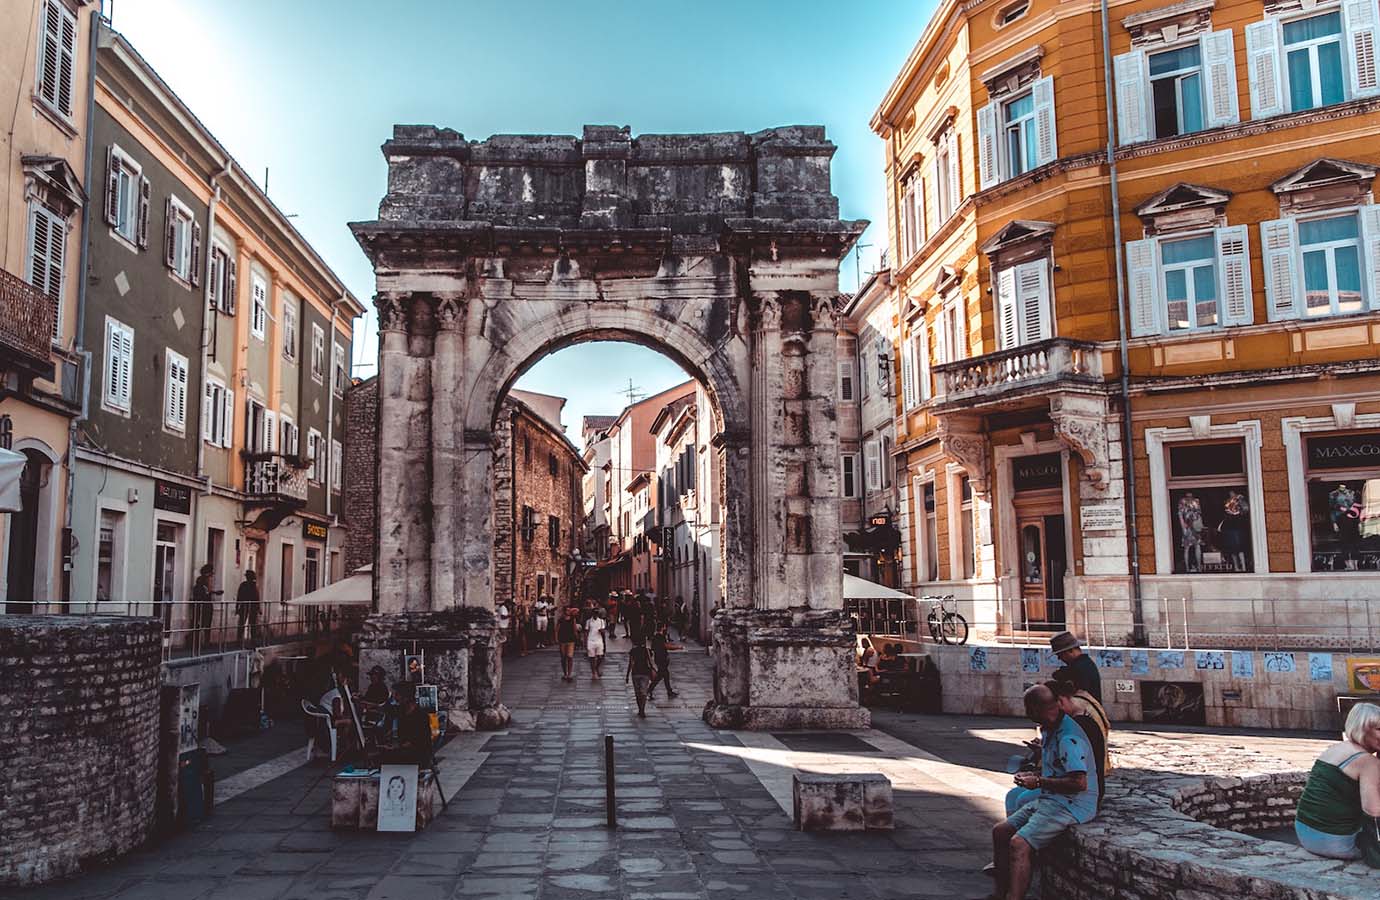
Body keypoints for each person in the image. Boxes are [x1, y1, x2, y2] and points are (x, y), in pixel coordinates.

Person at [990, 684, 1099, 900]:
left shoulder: (1068, 737)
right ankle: (1000, 892)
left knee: (1019, 844)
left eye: (1028, 709)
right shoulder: (1051, 727)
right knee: (1000, 831)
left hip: (1072, 804)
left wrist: (1038, 781)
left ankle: (1015, 896)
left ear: (1035, 709)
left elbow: (1079, 783)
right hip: (1052, 799)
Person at [1295, 702, 1380, 862]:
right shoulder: (1368, 762)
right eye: (1379, 729)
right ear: (1362, 729)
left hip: (1305, 833)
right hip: (1335, 842)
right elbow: (1373, 811)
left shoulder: (1336, 749)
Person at [382, 681, 433, 767]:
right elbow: (384, 709)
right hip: (404, 750)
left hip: (417, 754)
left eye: (397, 695)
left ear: (406, 697)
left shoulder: (420, 716)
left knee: (386, 759)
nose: (395, 698)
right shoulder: (402, 710)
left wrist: (396, 747)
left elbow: (416, 742)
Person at [1050, 631, 1101, 704]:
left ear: (1070, 651)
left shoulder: (1078, 668)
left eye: (1060, 655)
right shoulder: (1086, 662)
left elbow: (1057, 675)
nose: (1059, 658)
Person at [191, 564, 219, 649]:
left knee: (203, 624)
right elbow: (205, 593)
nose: (211, 578)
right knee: (203, 624)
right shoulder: (202, 583)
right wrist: (213, 592)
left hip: (203, 605)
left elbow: (207, 592)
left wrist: (214, 592)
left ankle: (201, 642)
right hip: (204, 606)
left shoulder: (202, 584)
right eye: (210, 575)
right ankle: (201, 643)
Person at [648, 623, 679, 700]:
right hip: (662, 658)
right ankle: (649, 690)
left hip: (658, 658)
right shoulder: (660, 637)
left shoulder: (655, 637)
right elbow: (666, 646)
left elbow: (653, 647)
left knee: (665, 675)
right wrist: (677, 647)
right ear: (662, 628)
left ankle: (669, 691)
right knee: (660, 676)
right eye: (664, 627)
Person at [626, 639, 655, 718]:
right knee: (643, 692)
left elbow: (631, 663)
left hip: (635, 672)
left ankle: (640, 709)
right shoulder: (647, 651)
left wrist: (627, 675)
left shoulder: (633, 651)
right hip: (645, 672)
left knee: (637, 693)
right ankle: (642, 709)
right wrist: (654, 670)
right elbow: (650, 661)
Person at [235, 570, 260, 646]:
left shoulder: (244, 585)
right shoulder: (253, 586)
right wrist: (258, 607)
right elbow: (257, 597)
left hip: (247, 606)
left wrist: (237, 607)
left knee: (246, 623)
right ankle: (249, 640)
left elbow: (239, 597)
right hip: (250, 606)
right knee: (251, 624)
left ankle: (242, 640)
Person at [556, 603, 580, 682]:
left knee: (570, 656)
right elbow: (557, 629)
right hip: (562, 639)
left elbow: (574, 629)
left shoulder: (572, 619)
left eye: (569, 610)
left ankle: (569, 674)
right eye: (567, 610)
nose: (568, 611)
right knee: (563, 657)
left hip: (570, 639)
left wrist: (576, 637)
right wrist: (556, 638)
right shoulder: (561, 619)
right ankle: (565, 673)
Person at [585, 607, 608, 678]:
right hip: (591, 640)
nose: (595, 615)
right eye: (594, 613)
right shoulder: (588, 621)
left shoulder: (601, 621)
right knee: (592, 657)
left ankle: (596, 667)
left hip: (599, 640)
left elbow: (604, 631)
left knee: (600, 656)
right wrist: (585, 642)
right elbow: (586, 631)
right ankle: (593, 672)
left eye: (597, 613)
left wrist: (602, 631)